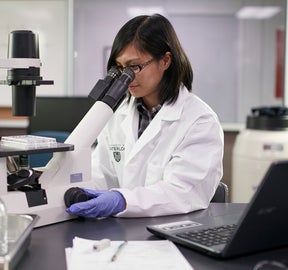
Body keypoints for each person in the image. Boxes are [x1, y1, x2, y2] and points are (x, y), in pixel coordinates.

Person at [66, 14, 224, 218]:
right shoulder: (116, 115)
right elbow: (101, 173)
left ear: (165, 60)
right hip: (121, 231)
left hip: (170, 231)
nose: (127, 77)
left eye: (134, 66)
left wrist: (121, 201)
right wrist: (77, 190)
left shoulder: (200, 120)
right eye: (121, 68)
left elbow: (182, 192)